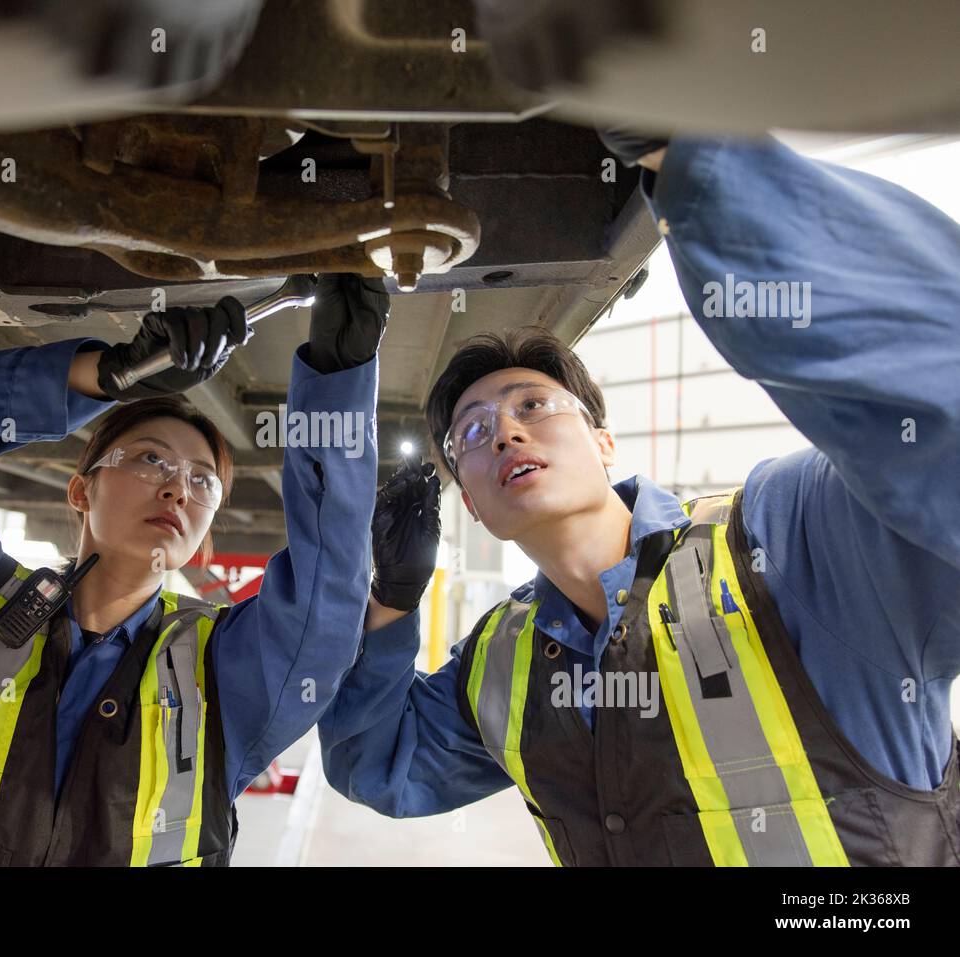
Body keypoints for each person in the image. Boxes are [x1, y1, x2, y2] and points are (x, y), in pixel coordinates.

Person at [318, 133, 960, 866]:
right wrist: (391, 602)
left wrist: (691, 161)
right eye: (473, 430)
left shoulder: (782, 538)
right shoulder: (500, 662)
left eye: (535, 403)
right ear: (469, 503)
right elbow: (376, 762)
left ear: (604, 443)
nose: (504, 433)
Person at [0, 274, 388, 866]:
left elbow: (325, 600)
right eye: (152, 459)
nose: (178, 488)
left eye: (202, 480)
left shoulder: (221, 669)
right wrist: (109, 374)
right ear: (81, 490)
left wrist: (339, 382)